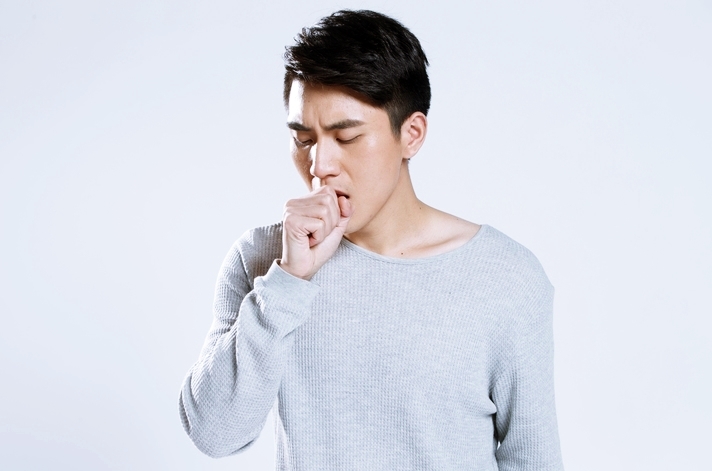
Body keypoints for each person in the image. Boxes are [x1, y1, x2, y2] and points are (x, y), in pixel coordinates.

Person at [179, 9, 563, 471]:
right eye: (303, 139)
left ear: (411, 135)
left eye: (346, 137)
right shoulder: (263, 260)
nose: (320, 165)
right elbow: (214, 434)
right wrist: (288, 282)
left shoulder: (505, 276)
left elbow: (533, 459)